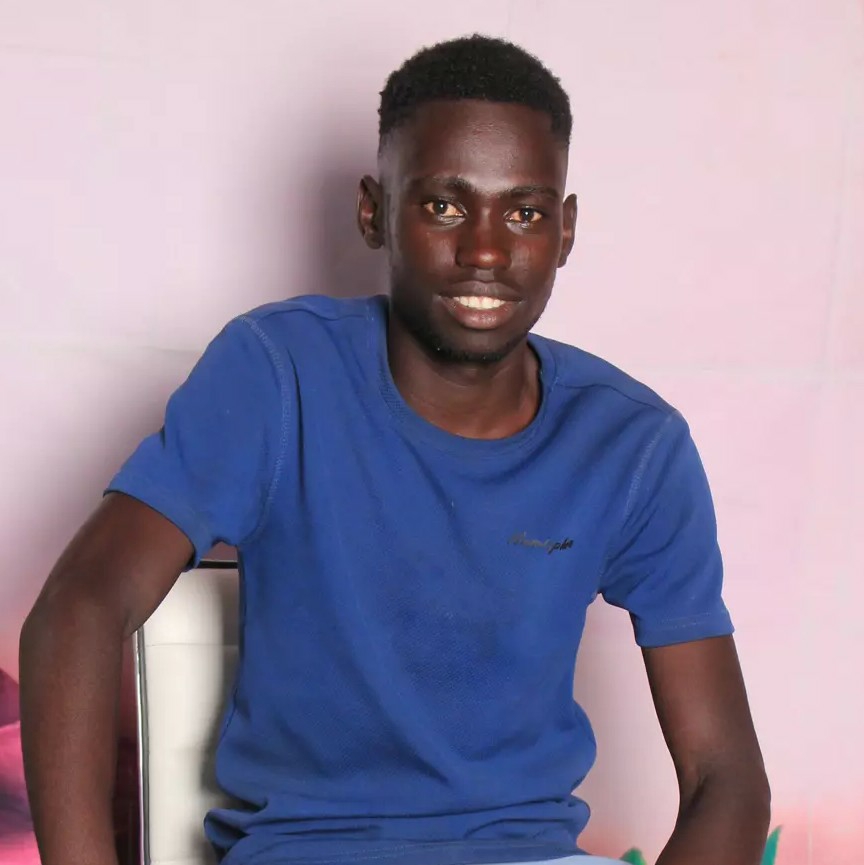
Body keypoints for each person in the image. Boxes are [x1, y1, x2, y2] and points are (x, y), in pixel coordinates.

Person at [19, 34, 770, 865]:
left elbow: (725, 775)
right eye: (445, 205)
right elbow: (80, 607)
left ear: (564, 232)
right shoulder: (279, 375)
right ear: (374, 212)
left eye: (523, 213)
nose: (485, 251)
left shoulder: (632, 445)